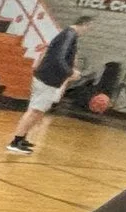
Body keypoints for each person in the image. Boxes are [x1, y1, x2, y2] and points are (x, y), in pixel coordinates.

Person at [8, 13, 91, 153]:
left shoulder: (67, 35)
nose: (88, 31)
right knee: (35, 111)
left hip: (49, 78)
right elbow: (59, 57)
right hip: (47, 78)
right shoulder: (69, 35)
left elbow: (55, 50)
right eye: (89, 27)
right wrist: (70, 72)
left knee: (38, 111)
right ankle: (15, 142)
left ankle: (22, 137)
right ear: (84, 24)